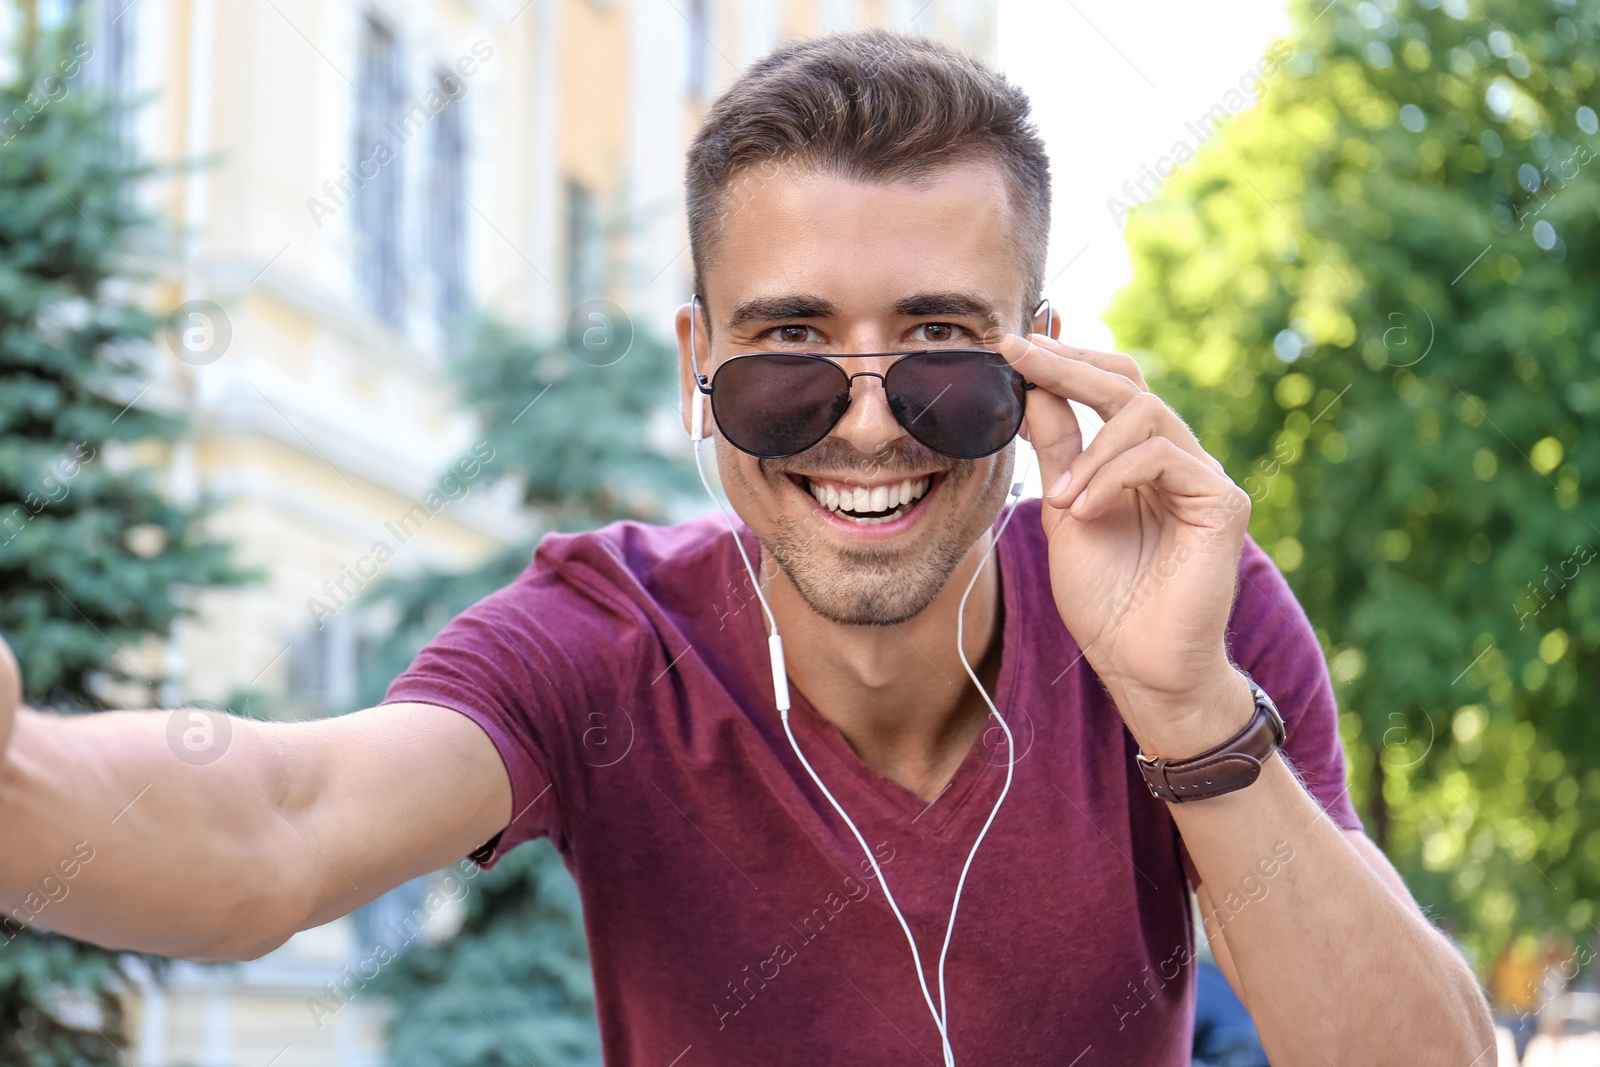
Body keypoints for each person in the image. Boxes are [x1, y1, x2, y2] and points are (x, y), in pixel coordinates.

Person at [0, 29, 1495, 1066]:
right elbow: (283, 815)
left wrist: (1185, 713)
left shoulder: (1188, 616)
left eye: (939, 350)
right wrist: (14, 780)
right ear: (693, 365)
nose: (864, 425)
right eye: (788, 350)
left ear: (1042, 364)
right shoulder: (605, 640)